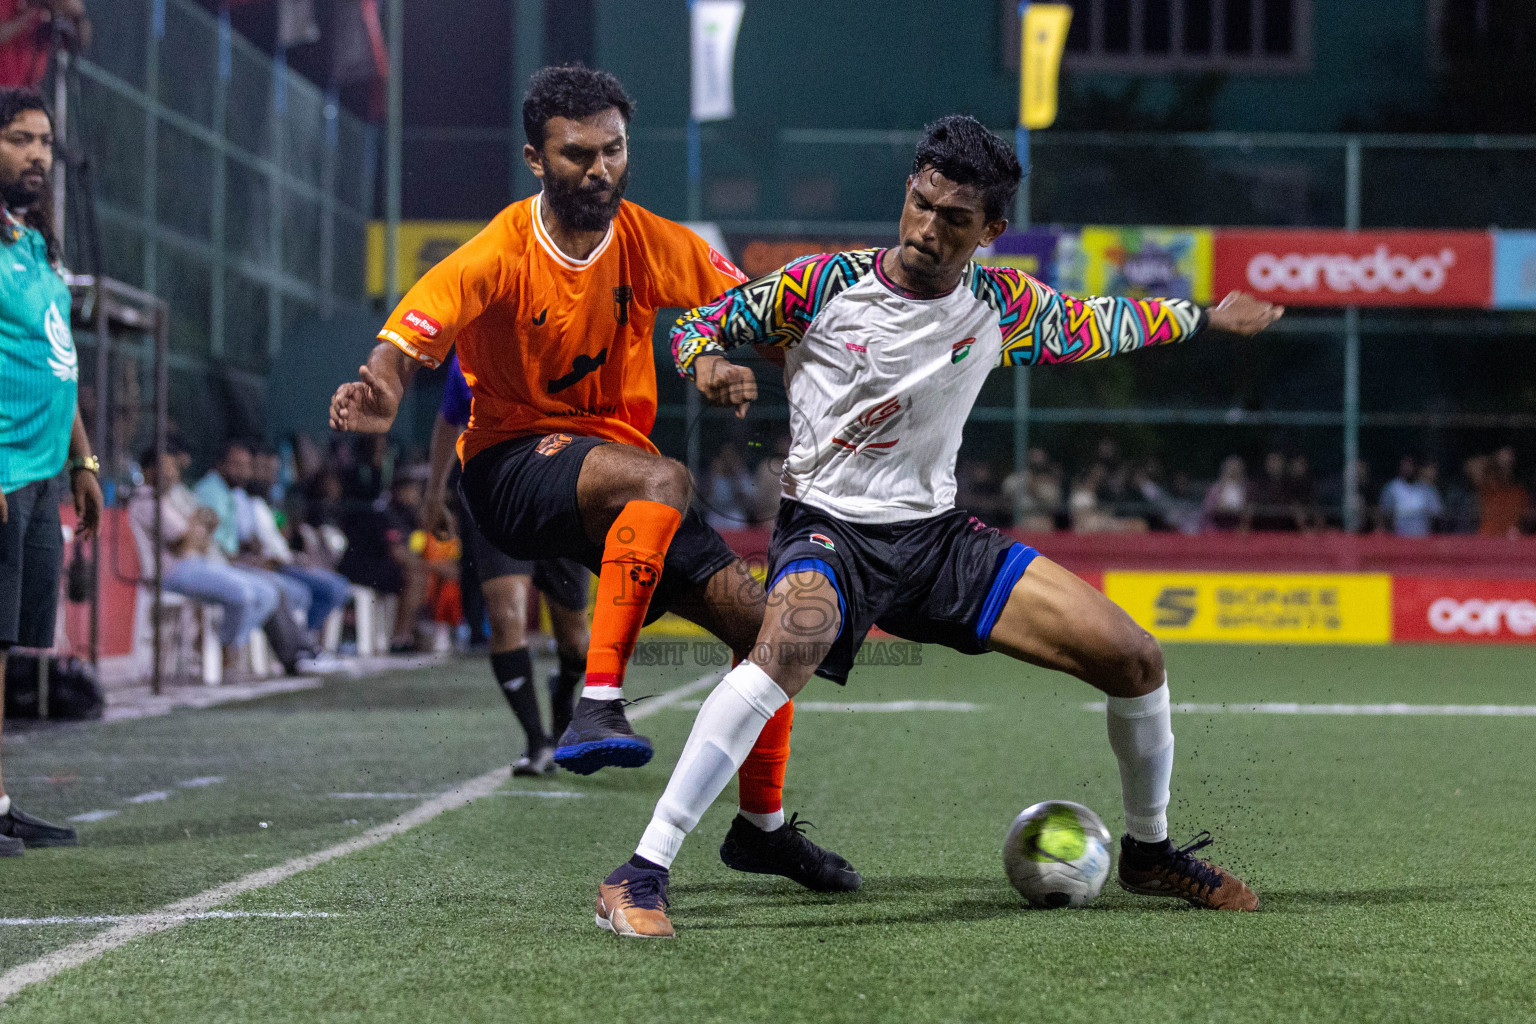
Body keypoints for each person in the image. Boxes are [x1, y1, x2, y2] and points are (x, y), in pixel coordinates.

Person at [597, 115, 1279, 937]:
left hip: (937, 542)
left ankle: (1151, 852)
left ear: (991, 231)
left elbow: (1105, 323)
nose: (927, 228)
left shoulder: (1003, 305)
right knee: (786, 650)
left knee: (1135, 658)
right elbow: (705, 322)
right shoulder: (820, 285)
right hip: (829, 531)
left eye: (955, 218)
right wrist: (705, 362)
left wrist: (1205, 317)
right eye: (920, 204)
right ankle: (642, 871)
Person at [329, 65, 855, 891]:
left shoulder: (649, 240)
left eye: (613, 151)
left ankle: (761, 830)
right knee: (663, 479)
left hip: (613, 483)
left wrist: (739, 363)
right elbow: (406, 341)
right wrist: (381, 389)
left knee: (774, 640)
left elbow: (761, 311)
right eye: (578, 154)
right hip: (509, 469)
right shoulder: (500, 249)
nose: (599, 168)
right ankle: (596, 701)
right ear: (536, 158)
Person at [0, 88, 100, 855]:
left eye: (43, 141)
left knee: (7, 647)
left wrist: (84, 460)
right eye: (19, 139)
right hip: (3, 470)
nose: (37, 154)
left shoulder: (33, 244)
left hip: (41, 473)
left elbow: (57, 356)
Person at [422, 352, 592, 775]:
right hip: (494, 492)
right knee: (505, 615)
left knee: (576, 640)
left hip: (560, 493)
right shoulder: (470, 354)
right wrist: (434, 492)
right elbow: (448, 420)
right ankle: (537, 741)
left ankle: (563, 691)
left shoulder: (561, 335)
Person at [129, 449, 283, 664]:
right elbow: (185, 540)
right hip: (173, 572)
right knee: (243, 594)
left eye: (173, 468)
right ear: (149, 470)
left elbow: (206, 527)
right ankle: (224, 650)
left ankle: (227, 643)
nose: (173, 473)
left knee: (268, 593)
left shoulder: (171, 497)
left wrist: (197, 528)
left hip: (197, 564)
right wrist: (197, 527)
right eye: (168, 467)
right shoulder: (146, 501)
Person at [1379, 456, 1443, 538]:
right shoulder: (1392, 487)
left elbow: (1437, 513)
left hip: (1423, 538)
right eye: (1405, 466)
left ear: (1416, 468)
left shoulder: (1426, 489)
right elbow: (1385, 513)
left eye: (1410, 466)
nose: (1407, 469)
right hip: (1398, 538)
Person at [1478, 446, 1531, 538]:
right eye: (1502, 463)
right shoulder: (1486, 487)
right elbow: (1472, 466)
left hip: (1510, 540)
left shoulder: (1519, 492)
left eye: (1510, 463)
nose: (1506, 464)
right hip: (1487, 538)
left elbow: (1528, 514)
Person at [1201, 456, 1250, 532]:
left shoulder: (1246, 489)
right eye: (1232, 469)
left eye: (1237, 469)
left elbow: (1249, 510)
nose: (1234, 472)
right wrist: (1219, 508)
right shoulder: (1215, 489)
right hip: (1216, 529)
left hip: (1237, 530)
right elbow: (1207, 509)